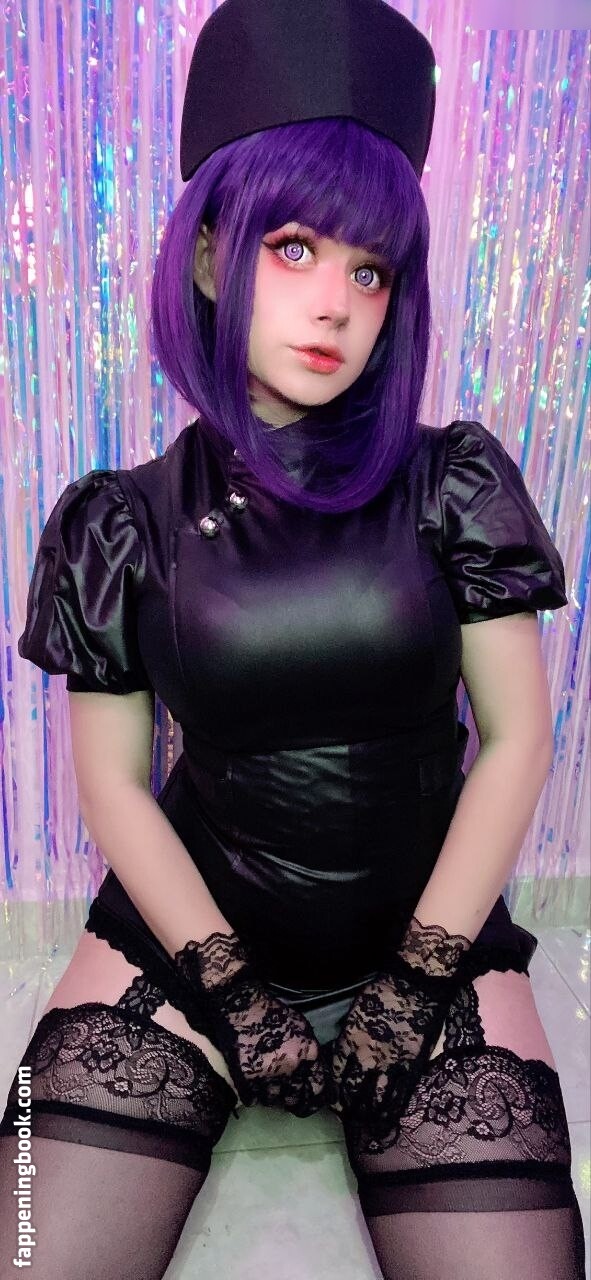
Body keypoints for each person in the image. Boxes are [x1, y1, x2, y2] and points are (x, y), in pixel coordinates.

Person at [0, 1, 586, 1277]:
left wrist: (420, 979)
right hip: (189, 935)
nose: (337, 303)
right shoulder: (120, 520)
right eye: (297, 247)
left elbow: (517, 739)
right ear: (213, 257)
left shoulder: (456, 481)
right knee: (30, 1249)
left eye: (370, 270)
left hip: (429, 928)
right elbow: (113, 782)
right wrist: (226, 985)